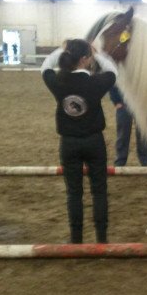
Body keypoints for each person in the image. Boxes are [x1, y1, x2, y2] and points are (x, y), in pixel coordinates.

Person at [41, 39, 117, 244]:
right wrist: (98, 53)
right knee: (99, 191)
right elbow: (112, 71)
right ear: (85, 59)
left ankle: (76, 239)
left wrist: (61, 50)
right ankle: (102, 239)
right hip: (94, 142)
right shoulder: (96, 82)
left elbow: (45, 66)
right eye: (89, 57)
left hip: (68, 144)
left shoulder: (58, 82)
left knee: (74, 193)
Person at [109, 86, 147, 167]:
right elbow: (113, 83)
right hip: (123, 103)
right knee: (122, 133)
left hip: (141, 104)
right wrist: (116, 101)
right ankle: (120, 161)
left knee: (143, 133)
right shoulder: (120, 72)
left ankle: (145, 160)